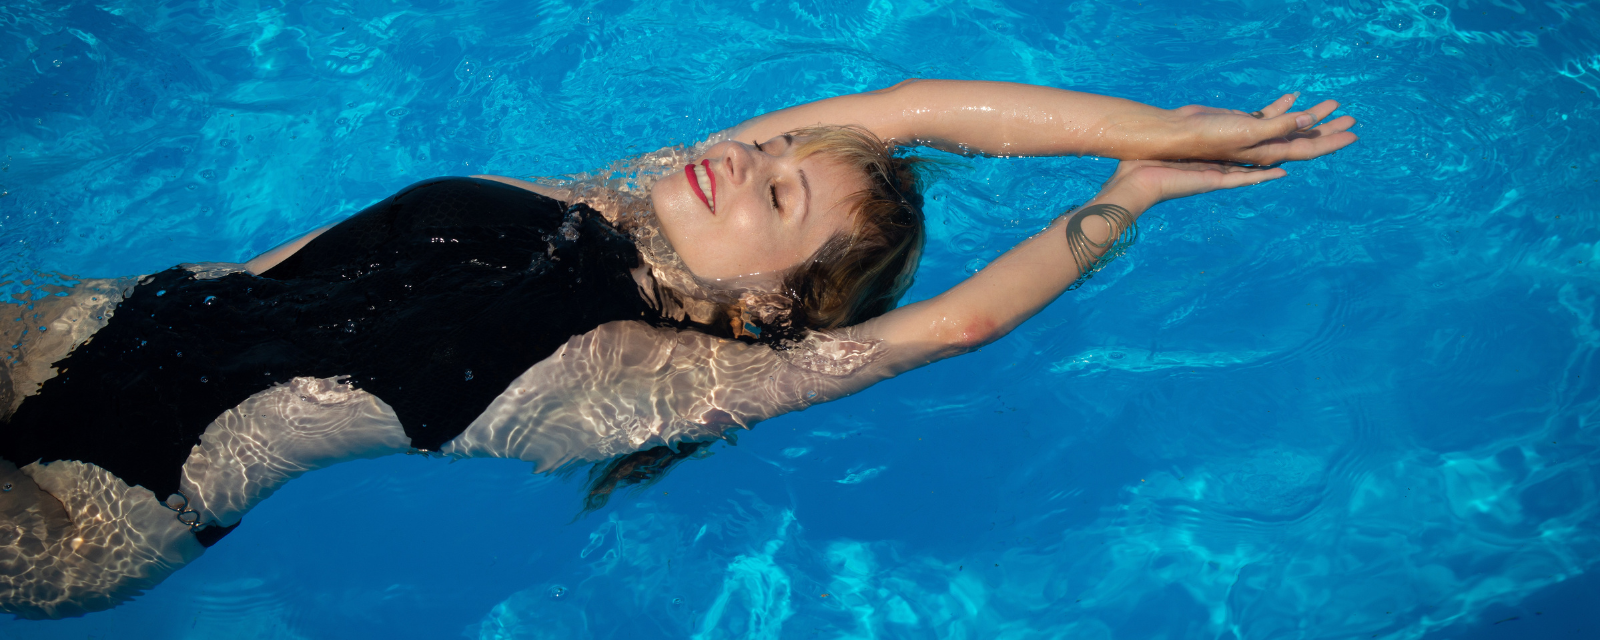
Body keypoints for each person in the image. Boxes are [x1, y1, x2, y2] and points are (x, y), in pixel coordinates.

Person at [0, 79, 1356, 619]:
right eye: (768, 153)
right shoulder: (618, 192)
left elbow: (960, 322)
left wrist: (1127, 193)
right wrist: (1175, 122)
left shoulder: (659, 381)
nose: (744, 158)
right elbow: (917, 108)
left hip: (104, 507)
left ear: (770, 307)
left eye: (776, 196)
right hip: (92, 324)